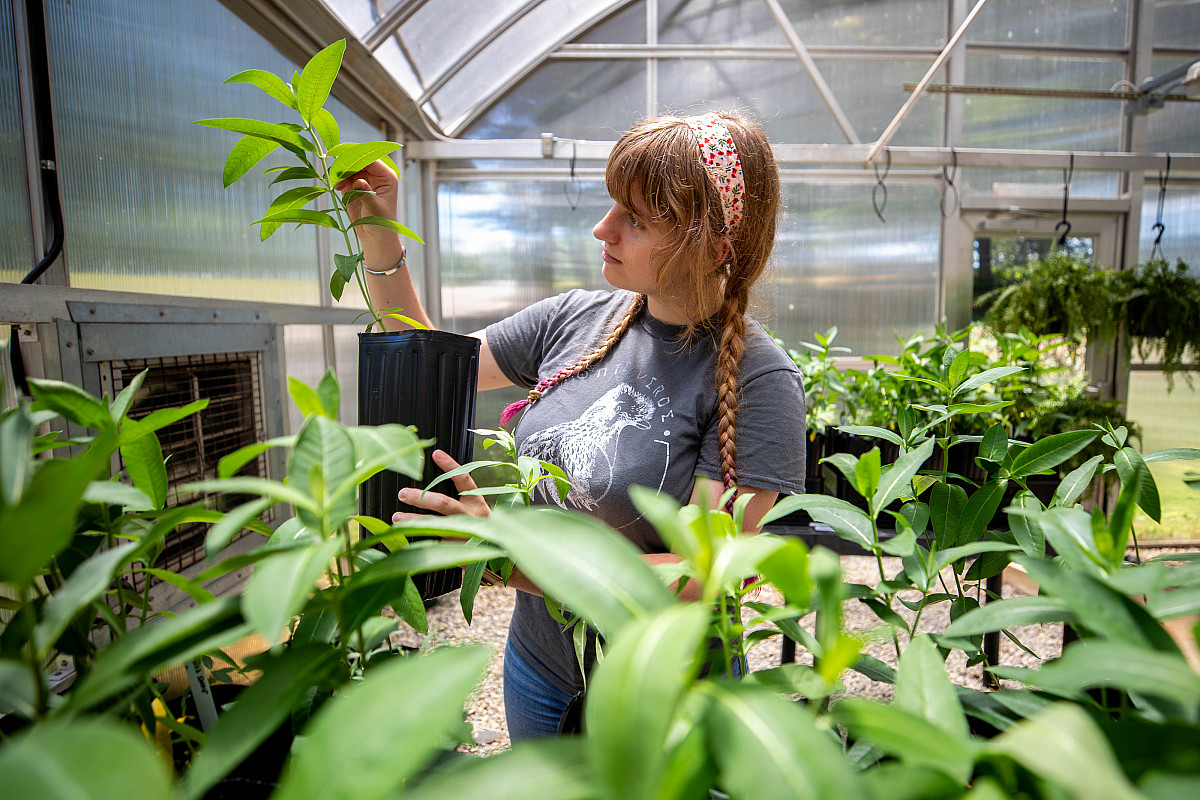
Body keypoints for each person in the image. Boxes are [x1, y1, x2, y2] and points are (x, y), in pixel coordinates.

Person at [338, 110, 806, 741]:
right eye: (614, 205)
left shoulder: (759, 381)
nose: (602, 228)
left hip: (663, 693)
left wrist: (504, 555)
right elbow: (428, 369)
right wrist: (378, 231)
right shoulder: (574, 319)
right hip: (539, 668)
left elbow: (699, 581)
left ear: (714, 247)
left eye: (636, 219)